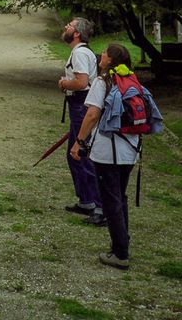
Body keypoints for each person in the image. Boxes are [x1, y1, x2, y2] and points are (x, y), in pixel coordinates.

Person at [70, 43, 140, 269]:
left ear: (110, 60)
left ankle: (120, 252)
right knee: (120, 196)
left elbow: (92, 114)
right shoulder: (131, 80)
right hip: (130, 149)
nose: (101, 55)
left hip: (108, 151)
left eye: (105, 54)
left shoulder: (103, 82)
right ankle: (122, 242)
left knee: (111, 201)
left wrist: (79, 141)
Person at [58, 17, 104, 225]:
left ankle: (97, 205)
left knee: (82, 154)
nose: (66, 27)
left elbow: (81, 82)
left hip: (80, 105)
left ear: (76, 33)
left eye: (69, 25)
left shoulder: (80, 53)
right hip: (78, 105)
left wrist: (64, 83)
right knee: (73, 155)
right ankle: (86, 200)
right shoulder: (81, 52)